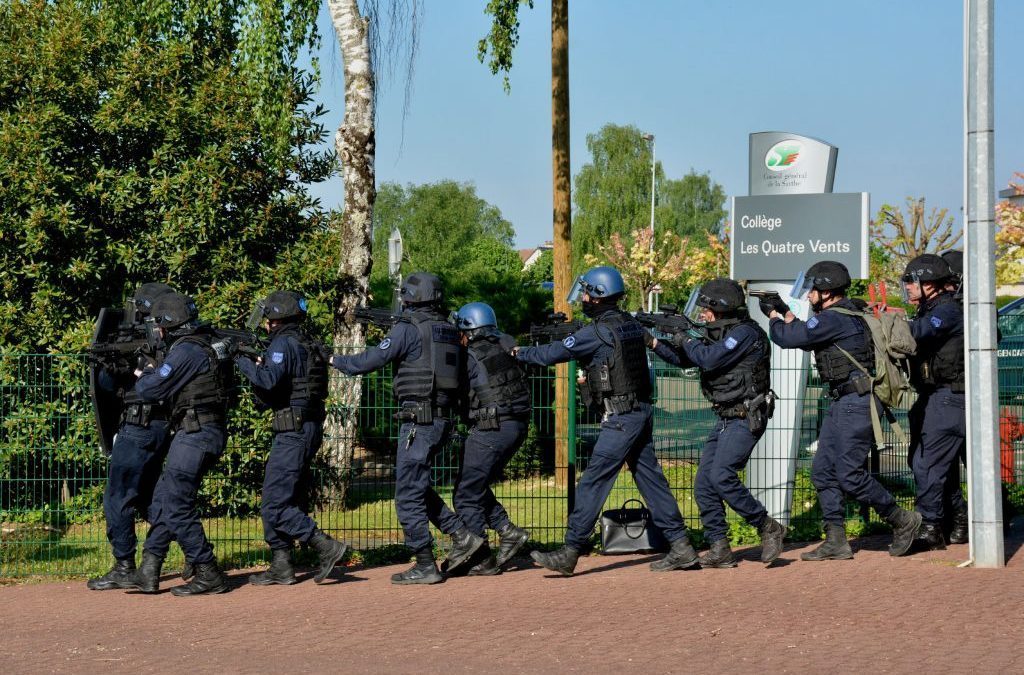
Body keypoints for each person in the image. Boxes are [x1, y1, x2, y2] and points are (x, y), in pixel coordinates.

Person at [516, 266, 699, 576]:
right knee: (651, 481)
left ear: (599, 297)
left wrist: (518, 353)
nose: (583, 298)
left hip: (621, 418)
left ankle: (570, 551)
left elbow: (552, 354)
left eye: (587, 292)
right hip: (640, 411)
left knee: (593, 482)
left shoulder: (597, 331)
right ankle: (682, 546)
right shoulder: (628, 324)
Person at [761, 260, 921, 560]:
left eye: (813, 290)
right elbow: (808, 335)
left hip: (855, 402)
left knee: (849, 474)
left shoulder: (834, 319)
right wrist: (785, 312)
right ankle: (836, 540)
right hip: (844, 402)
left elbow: (788, 337)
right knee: (823, 471)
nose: (809, 295)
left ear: (827, 291)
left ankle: (903, 520)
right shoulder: (844, 314)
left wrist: (772, 317)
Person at [330, 272, 482, 585]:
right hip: (442, 421)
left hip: (419, 422)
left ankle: (425, 564)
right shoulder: (449, 329)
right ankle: (462, 535)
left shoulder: (408, 329)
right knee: (418, 487)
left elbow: (370, 360)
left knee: (407, 495)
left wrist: (334, 359)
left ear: (409, 297)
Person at [650, 278, 786, 567]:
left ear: (721, 309)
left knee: (722, 475)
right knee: (704, 484)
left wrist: (684, 336)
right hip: (726, 417)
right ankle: (719, 548)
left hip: (747, 415)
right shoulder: (723, 334)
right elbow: (688, 359)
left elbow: (708, 359)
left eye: (707, 309)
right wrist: (653, 342)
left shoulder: (745, 334)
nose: (703, 315)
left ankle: (768, 527)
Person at [234, 291, 348, 585]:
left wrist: (240, 360)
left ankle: (326, 546)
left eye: (269, 320)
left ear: (277, 318)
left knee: (275, 503)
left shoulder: (284, 342)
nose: (266, 325)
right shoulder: (306, 341)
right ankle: (281, 564)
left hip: (293, 432)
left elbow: (268, 380)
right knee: (286, 496)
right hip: (306, 429)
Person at [125, 293, 236, 595]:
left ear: (169, 324)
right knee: (164, 497)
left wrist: (143, 372)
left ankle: (207, 570)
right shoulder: (206, 340)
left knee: (175, 503)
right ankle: (149, 568)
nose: (156, 331)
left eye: (158, 325)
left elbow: (152, 388)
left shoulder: (186, 351)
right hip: (202, 430)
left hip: (195, 432)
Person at [87, 283, 175, 590]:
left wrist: (112, 365)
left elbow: (106, 386)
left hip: (137, 428)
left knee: (118, 498)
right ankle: (198, 554)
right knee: (149, 498)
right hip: (162, 428)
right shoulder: (177, 341)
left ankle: (124, 565)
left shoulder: (137, 341)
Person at [447, 302, 532, 575]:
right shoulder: (506, 344)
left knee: (466, 494)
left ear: (469, 330)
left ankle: (479, 557)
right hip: (516, 426)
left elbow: (453, 390)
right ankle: (508, 532)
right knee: (477, 485)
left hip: (491, 429)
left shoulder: (470, 355)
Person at [902, 254, 967, 550]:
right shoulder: (929, 309)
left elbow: (920, 333)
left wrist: (889, 322)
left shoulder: (949, 311)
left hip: (948, 397)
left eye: (910, 281)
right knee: (930, 464)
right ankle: (958, 515)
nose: (905, 286)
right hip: (932, 396)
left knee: (927, 465)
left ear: (929, 285)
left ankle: (930, 527)